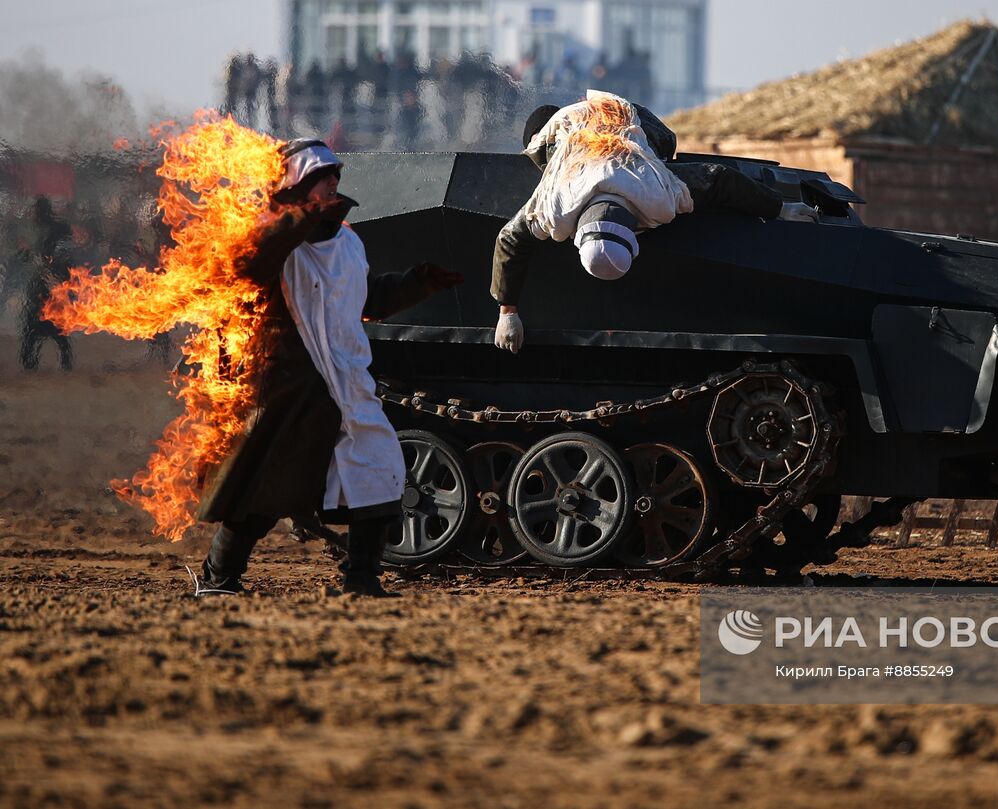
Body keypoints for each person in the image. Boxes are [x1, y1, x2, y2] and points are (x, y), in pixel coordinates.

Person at [196, 139, 464, 596]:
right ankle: (218, 578)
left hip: (348, 380)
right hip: (289, 386)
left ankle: (361, 579)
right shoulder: (271, 240)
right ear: (298, 188)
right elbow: (246, 269)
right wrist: (300, 218)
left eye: (335, 178)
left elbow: (366, 299)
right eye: (322, 179)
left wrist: (417, 284)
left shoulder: (349, 242)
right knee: (263, 492)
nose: (333, 185)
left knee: (376, 471)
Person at [490, 91, 818, 353]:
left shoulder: (647, 193)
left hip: (615, 114)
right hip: (587, 119)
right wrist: (780, 210)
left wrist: (509, 313)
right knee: (658, 145)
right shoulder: (573, 199)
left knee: (664, 142)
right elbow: (719, 181)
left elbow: (510, 239)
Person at [19, 197, 75, 371]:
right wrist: (27, 253)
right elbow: (28, 257)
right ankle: (31, 361)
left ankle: (60, 362)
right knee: (37, 324)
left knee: (52, 323)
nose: (33, 214)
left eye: (35, 210)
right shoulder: (40, 230)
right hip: (43, 282)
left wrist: (52, 271)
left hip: (54, 283)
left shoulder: (58, 229)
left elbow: (64, 254)